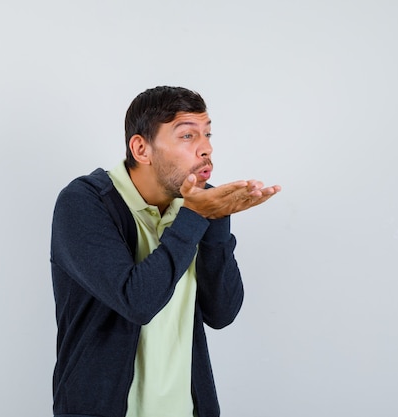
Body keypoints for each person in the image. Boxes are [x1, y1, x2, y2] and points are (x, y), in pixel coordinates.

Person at [50, 86, 280, 417]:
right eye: (188, 136)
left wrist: (215, 219)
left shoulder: (194, 205)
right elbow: (137, 301)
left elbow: (221, 312)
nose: (207, 148)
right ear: (141, 148)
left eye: (208, 133)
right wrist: (197, 216)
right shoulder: (84, 203)